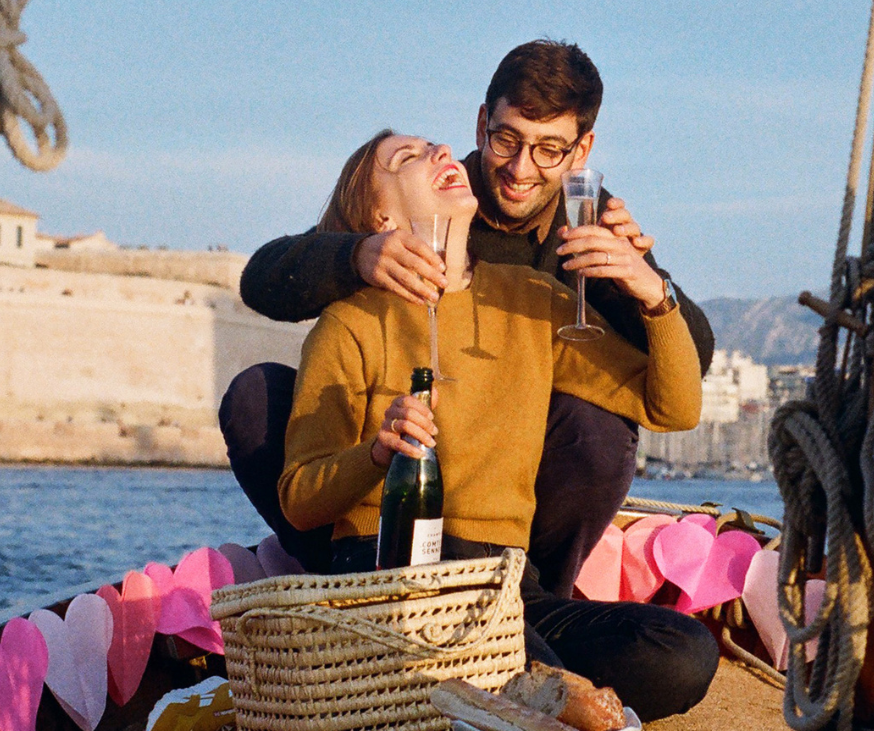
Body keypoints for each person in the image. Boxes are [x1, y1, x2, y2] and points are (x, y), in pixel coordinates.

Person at [226, 40, 713, 595]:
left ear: (582, 152)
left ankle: (536, 597)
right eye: (507, 140)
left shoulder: (594, 222)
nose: (520, 169)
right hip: (383, 480)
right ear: (483, 124)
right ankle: (343, 576)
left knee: (600, 429)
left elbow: (687, 376)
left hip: (504, 504)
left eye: (549, 149)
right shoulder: (428, 197)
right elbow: (262, 280)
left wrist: (637, 283)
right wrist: (355, 253)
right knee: (255, 396)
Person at [269, 129, 717, 720]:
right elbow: (300, 500)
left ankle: (502, 692)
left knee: (683, 653)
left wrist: (652, 293)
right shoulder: (349, 324)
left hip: (506, 585)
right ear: (380, 216)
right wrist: (376, 454)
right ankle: (534, 697)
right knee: (512, 660)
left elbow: (673, 409)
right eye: (408, 157)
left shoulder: (532, 300)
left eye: (437, 148)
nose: (440, 155)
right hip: (391, 577)